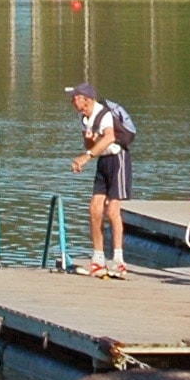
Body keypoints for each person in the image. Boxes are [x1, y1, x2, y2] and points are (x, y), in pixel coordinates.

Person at [64, 82, 135, 277]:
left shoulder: (104, 114)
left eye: (75, 98)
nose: (72, 101)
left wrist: (86, 157)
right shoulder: (83, 117)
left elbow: (110, 138)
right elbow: (89, 144)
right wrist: (89, 140)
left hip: (118, 160)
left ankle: (119, 261)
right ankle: (98, 259)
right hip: (103, 161)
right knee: (94, 209)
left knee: (112, 210)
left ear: (86, 99)